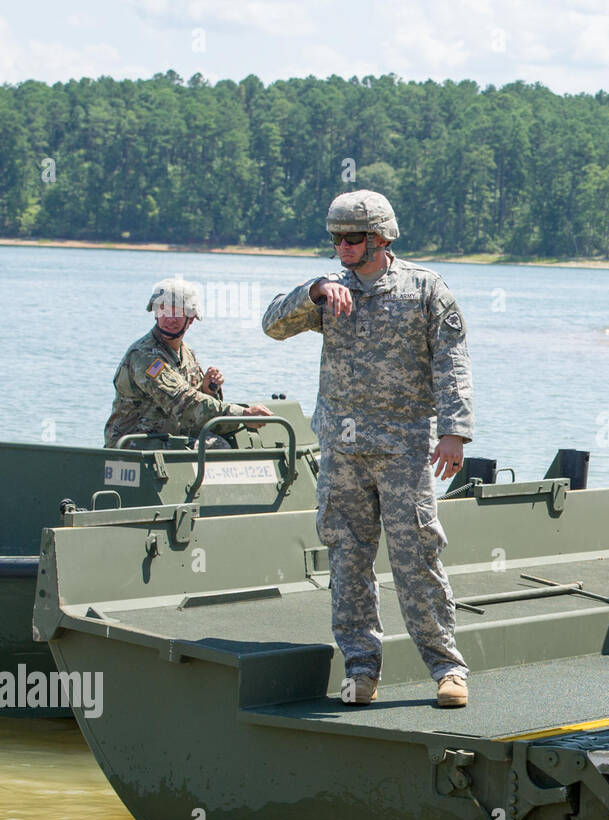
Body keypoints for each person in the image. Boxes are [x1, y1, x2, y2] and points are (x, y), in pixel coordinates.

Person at [261, 190, 474, 707]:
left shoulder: (425, 289)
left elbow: (452, 360)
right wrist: (311, 292)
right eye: (335, 238)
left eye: (352, 238)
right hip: (342, 450)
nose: (341, 247)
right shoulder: (329, 291)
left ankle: (447, 668)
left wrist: (455, 430)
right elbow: (272, 326)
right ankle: (360, 669)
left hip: (403, 448)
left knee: (416, 556)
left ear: (381, 238)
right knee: (348, 559)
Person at [104, 278, 272, 447]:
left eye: (178, 313)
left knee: (230, 442)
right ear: (155, 313)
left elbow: (195, 406)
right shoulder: (145, 356)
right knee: (215, 447)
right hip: (134, 444)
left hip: (166, 437)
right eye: (164, 311)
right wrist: (242, 414)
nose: (170, 319)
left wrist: (207, 390)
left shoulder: (187, 353)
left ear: (191, 319)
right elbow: (183, 402)